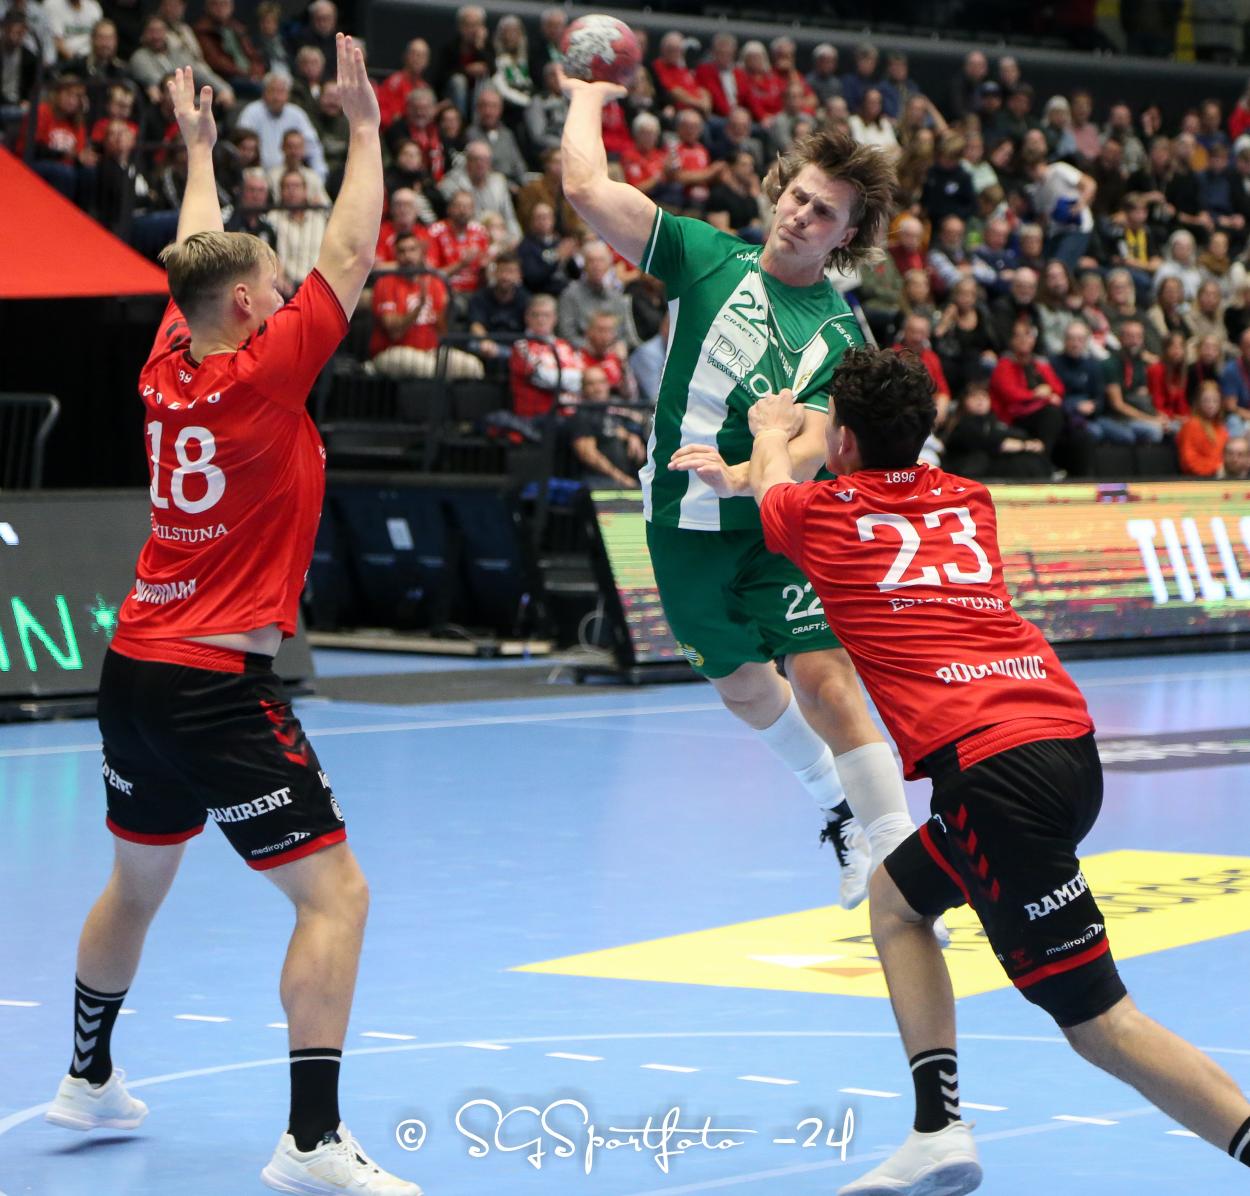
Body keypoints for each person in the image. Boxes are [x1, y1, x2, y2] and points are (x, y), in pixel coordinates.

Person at [41, 46, 422, 1196]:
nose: (282, 285)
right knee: (336, 895)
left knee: (134, 884)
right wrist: (365, 128)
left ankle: (85, 1076)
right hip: (215, 685)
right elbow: (348, 253)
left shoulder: (168, 361)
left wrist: (201, 152)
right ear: (251, 305)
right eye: (270, 278)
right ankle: (310, 1141)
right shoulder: (264, 373)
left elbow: (193, 260)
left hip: (133, 669)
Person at [747, 347, 1250, 1196]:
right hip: (1066, 746)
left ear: (843, 443)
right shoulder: (969, 499)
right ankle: (936, 1130)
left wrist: (771, 426)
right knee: (896, 901)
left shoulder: (820, 514)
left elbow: (770, 486)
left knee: (1102, 1024)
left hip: (993, 781)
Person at [560, 69, 932, 910]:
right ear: (779, 191)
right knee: (740, 685)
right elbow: (585, 187)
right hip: (679, 522)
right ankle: (839, 809)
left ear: (845, 236)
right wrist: (586, 96)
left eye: (823, 212)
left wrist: (738, 477)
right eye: (798, 197)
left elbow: (807, 448)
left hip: (775, 525)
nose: (801, 216)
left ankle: (902, 866)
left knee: (826, 680)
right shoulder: (704, 256)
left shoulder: (836, 332)